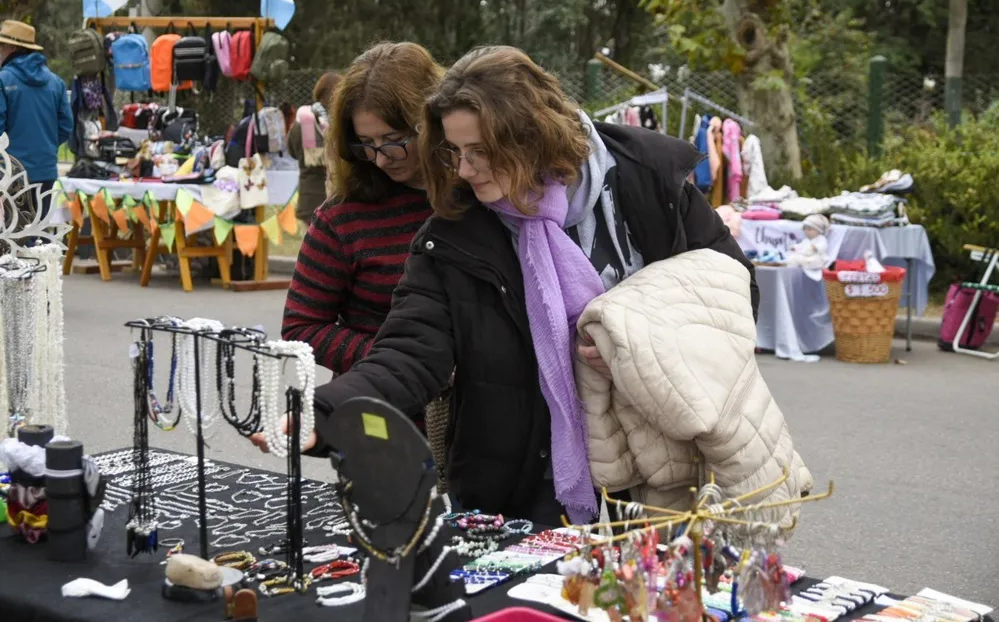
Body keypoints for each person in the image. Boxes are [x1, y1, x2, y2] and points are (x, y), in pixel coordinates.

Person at [263, 46, 758, 525]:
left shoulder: (646, 180)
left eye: (480, 151)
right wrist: (324, 412)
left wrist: (637, 339)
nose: (463, 170)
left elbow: (731, 290)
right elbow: (408, 351)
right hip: (522, 475)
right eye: (455, 151)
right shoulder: (454, 231)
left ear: (531, 136)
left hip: (663, 460)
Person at [254, 43, 440, 456]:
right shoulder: (342, 217)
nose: (381, 159)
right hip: (379, 427)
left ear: (429, 120)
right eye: (365, 144)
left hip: (479, 431)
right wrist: (393, 361)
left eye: (393, 140)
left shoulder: (475, 195)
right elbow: (302, 325)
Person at [0, 20, 73, 219]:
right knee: (39, 231)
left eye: (1, 46)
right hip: (45, 170)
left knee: (12, 233)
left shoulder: (3, 80)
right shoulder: (56, 82)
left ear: (12, 48)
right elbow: (66, 127)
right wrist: (45, 145)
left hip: (11, 172)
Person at [286, 72, 341, 222]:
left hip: (308, 199)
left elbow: (292, 151)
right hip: (337, 199)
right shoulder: (341, 122)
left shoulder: (302, 120)